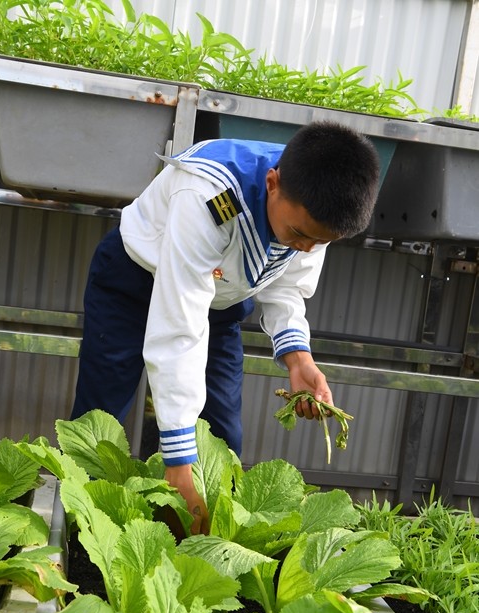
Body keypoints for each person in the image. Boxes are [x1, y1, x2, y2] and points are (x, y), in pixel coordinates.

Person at [71, 121, 380, 534]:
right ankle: (82, 531)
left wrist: (298, 359)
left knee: (221, 436)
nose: (305, 247)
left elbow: (287, 286)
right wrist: (179, 464)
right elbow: (179, 329)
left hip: (220, 300)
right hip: (132, 281)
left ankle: (200, 543)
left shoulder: (314, 206)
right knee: (101, 417)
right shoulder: (210, 194)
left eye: (319, 243)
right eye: (300, 234)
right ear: (272, 183)